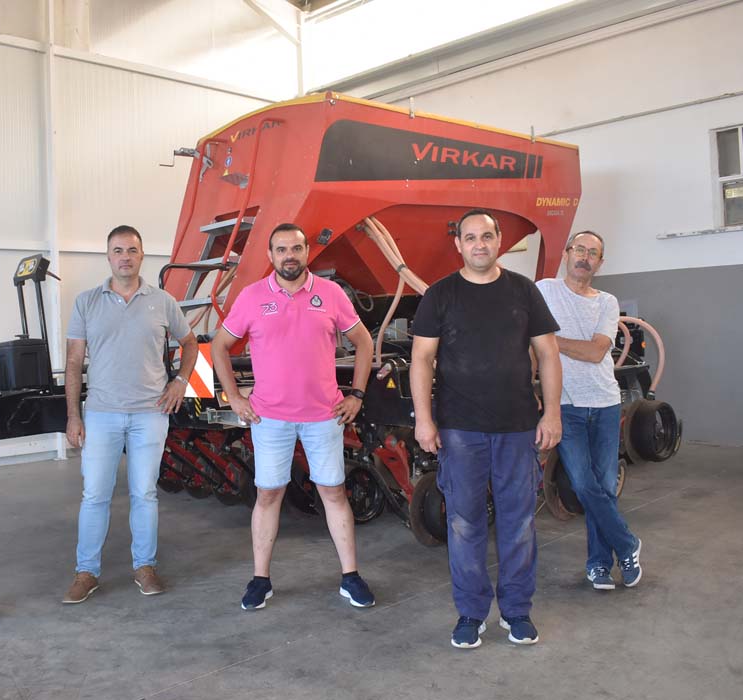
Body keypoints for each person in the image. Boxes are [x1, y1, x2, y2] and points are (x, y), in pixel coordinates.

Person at [410, 209, 562, 649]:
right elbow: (421, 360)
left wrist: (551, 412)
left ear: (500, 242)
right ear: (458, 244)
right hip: (459, 429)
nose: (479, 244)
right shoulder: (440, 295)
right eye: (470, 237)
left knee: (518, 524)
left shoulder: (523, 291)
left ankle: (516, 612)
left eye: (487, 236)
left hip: (517, 427)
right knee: (463, 523)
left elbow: (549, 355)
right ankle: (471, 613)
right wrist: (424, 418)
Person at [210, 223, 376, 611]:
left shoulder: (331, 294)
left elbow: (364, 341)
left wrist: (357, 394)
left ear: (306, 253)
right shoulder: (252, 298)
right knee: (268, 494)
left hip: (324, 416)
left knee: (333, 492)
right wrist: (233, 396)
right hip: (270, 419)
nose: (290, 255)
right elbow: (219, 346)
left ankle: (350, 577)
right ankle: (260, 579)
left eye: (297, 248)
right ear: (270, 256)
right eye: (281, 249)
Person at [62, 225, 198, 604]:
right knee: (95, 496)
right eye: (118, 250)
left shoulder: (163, 301)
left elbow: (190, 344)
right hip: (102, 414)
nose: (125, 256)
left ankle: (145, 567)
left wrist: (180, 381)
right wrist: (73, 416)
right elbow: (74, 362)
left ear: (142, 255)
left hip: (150, 414)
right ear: (108, 257)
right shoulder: (86, 302)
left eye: (132, 250)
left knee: (145, 493)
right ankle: (86, 572)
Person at [536, 230, 642, 591]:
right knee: (584, 484)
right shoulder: (545, 291)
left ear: (600, 262)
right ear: (566, 253)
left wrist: (549, 340)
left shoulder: (607, 303)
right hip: (566, 405)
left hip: (606, 403)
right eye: (579, 249)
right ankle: (627, 544)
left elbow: (596, 352)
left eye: (592, 253)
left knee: (604, 488)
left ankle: (598, 564)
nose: (584, 257)